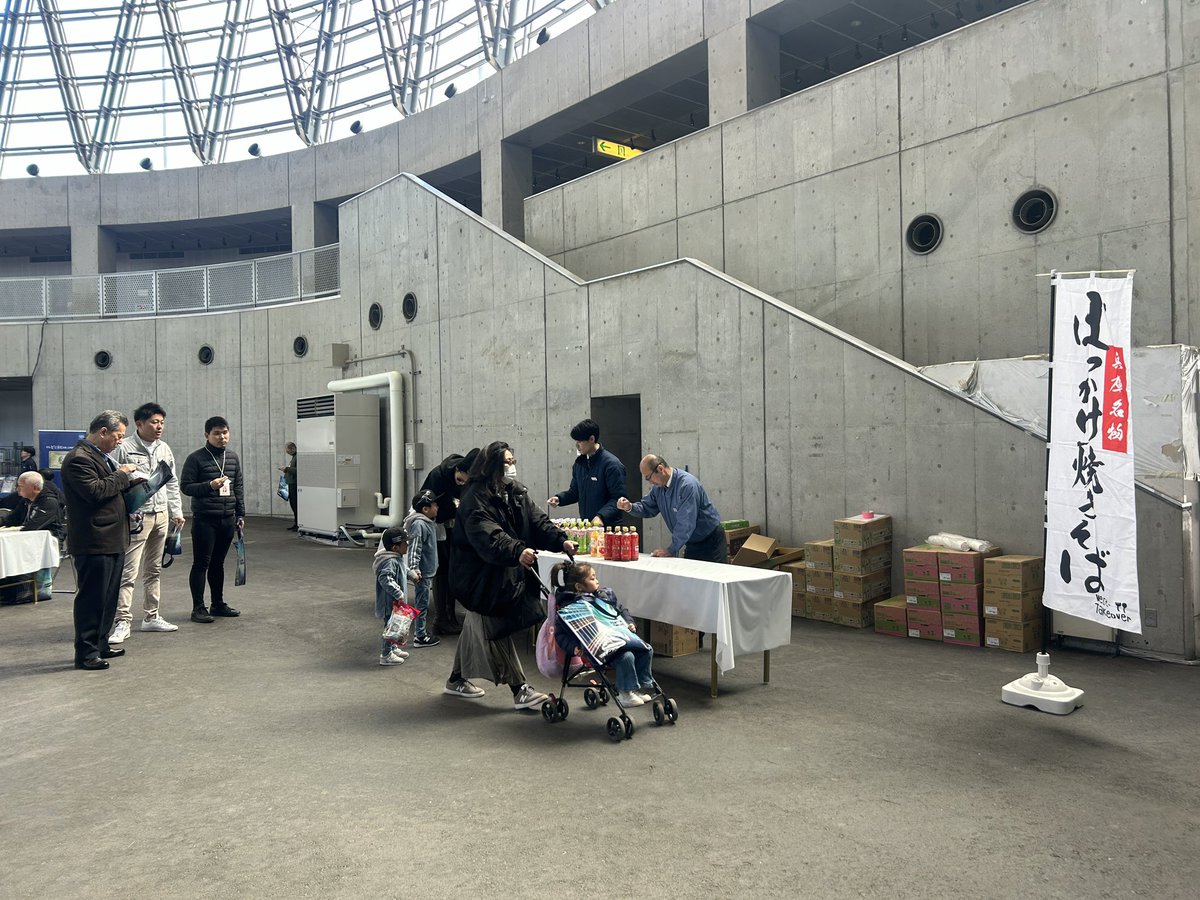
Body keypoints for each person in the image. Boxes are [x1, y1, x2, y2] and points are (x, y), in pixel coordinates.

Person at [445, 441, 575, 708]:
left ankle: (456, 678)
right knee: (495, 626)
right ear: (493, 465)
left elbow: (537, 521)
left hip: (499, 571)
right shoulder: (474, 498)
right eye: (507, 461)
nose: (512, 466)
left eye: (513, 460)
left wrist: (560, 540)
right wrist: (517, 550)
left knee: (476, 624)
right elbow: (489, 534)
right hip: (479, 575)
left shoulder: (514, 492)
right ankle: (520, 689)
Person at [60, 410, 141, 670]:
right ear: (103, 431)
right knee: (92, 599)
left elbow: (110, 490)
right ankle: (85, 653)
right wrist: (123, 474)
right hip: (93, 541)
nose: (120, 442)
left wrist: (134, 483)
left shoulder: (101, 457)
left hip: (112, 538)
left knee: (108, 597)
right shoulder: (78, 459)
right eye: (118, 436)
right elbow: (96, 491)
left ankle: (101, 643)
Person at [109, 402, 185, 642]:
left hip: (161, 515)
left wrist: (176, 511)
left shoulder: (164, 448)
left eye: (162, 422)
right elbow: (114, 480)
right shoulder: (124, 447)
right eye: (154, 422)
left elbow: (172, 482)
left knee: (154, 569)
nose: (159, 426)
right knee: (128, 571)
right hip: (137, 517)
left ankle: (151, 617)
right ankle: (122, 621)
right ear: (140, 424)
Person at [551, 558, 656, 707]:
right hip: (597, 649)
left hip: (619, 638)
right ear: (579, 587)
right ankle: (625, 693)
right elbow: (560, 635)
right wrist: (573, 647)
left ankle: (635, 687)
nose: (597, 581)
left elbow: (620, 610)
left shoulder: (603, 596)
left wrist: (629, 622)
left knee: (646, 650)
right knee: (627, 657)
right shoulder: (569, 610)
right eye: (593, 578)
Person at [180, 416, 245, 624]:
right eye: (216, 433)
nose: (222, 437)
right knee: (202, 563)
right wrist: (209, 485)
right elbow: (186, 487)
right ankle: (198, 608)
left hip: (227, 519)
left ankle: (218, 604)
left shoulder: (233, 458)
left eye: (225, 433)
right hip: (205, 519)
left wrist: (240, 514)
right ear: (207, 435)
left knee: (218, 564)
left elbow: (238, 488)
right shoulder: (195, 458)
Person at [617, 454, 728, 563]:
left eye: (648, 478)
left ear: (660, 469)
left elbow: (686, 523)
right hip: (691, 542)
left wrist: (671, 549)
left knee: (713, 578)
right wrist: (629, 507)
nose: (650, 482)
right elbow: (647, 507)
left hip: (711, 540)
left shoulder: (687, 485)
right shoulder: (658, 488)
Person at [417, 448, 479, 635]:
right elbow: (425, 506)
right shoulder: (438, 476)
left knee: (452, 570)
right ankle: (441, 618)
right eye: (460, 479)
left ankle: (449, 615)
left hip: (452, 528)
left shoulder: (463, 474)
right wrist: (452, 509)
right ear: (457, 470)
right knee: (441, 571)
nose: (461, 484)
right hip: (436, 528)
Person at [547, 419, 627, 527]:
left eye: (580, 441)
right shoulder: (579, 464)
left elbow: (618, 498)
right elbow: (575, 492)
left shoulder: (612, 465)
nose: (577, 445)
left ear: (592, 439)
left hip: (609, 529)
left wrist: (601, 516)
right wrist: (559, 498)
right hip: (588, 527)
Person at [16, 470, 65, 601]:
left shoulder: (50, 502)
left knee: (19, 551)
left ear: (35, 488)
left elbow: (34, 526)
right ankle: (13, 590)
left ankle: (32, 591)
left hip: (48, 542)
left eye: (21, 486)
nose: (17, 489)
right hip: (28, 540)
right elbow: (11, 518)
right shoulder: (26, 501)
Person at [402, 489, 440, 648]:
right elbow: (414, 548)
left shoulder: (427, 522)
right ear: (425, 509)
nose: (437, 507)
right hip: (422, 573)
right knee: (421, 604)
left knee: (422, 603)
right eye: (434, 505)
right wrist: (414, 569)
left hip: (427, 571)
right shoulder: (419, 524)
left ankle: (421, 633)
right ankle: (420, 636)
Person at [373, 526, 411, 667]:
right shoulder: (390, 561)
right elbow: (385, 578)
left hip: (397, 602)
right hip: (390, 602)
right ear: (395, 547)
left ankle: (393, 648)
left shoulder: (397, 558)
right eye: (405, 543)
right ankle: (386, 654)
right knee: (390, 627)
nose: (407, 545)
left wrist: (411, 574)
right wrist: (398, 593)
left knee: (396, 626)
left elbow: (403, 568)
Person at [278, 441, 298, 531]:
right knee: (293, 504)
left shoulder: (297, 457)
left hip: (294, 484)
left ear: (292, 449)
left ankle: (297, 524)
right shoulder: (294, 457)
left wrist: (286, 469)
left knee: (295, 504)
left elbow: (298, 470)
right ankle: (296, 523)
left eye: (288, 450)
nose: (287, 452)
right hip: (290, 483)